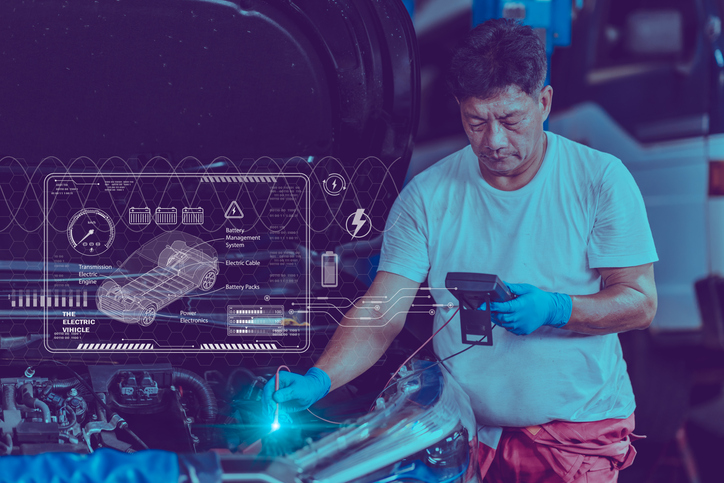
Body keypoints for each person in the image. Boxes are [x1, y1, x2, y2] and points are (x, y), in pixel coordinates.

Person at [262, 18, 658, 482]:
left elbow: (640, 301)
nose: (493, 141)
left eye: (510, 120)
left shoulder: (598, 181)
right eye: (477, 122)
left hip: (574, 435)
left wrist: (559, 308)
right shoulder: (428, 196)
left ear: (544, 102)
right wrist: (322, 378)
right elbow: (382, 313)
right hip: (467, 439)